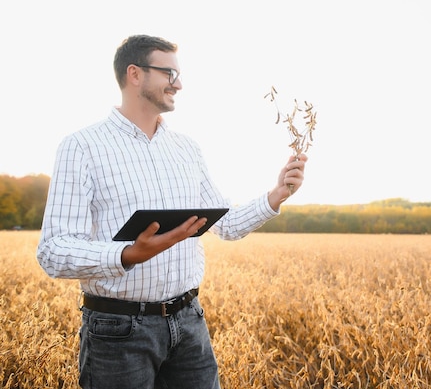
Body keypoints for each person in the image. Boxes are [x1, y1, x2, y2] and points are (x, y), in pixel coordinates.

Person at [37, 34, 307, 389]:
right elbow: (54, 250)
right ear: (135, 74)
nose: (178, 84)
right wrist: (127, 254)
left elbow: (225, 225)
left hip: (190, 322)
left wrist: (276, 195)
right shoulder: (82, 146)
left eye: (178, 74)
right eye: (168, 73)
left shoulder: (187, 149)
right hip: (118, 331)